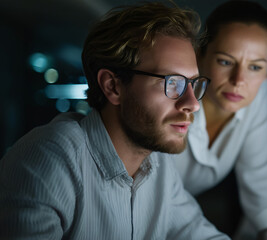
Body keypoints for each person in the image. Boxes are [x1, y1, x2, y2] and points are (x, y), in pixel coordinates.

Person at [0, 2, 230, 239]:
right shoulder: (49, 160)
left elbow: (198, 233)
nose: (192, 103)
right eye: (172, 82)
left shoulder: (158, 166)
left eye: (193, 84)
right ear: (113, 86)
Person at [174, 1, 267, 239]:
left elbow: (262, 168)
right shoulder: (172, 94)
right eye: (225, 61)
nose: (239, 80)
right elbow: (160, 197)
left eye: (255, 67)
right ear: (200, 54)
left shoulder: (254, 90)